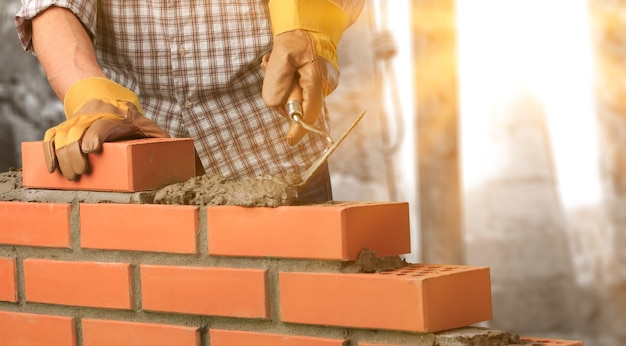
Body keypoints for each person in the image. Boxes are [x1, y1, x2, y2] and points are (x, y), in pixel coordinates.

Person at [14, 0, 365, 202]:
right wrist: (90, 94)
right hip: (133, 149)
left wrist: (308, 29)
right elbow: (51, 5)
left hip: (273, 150)